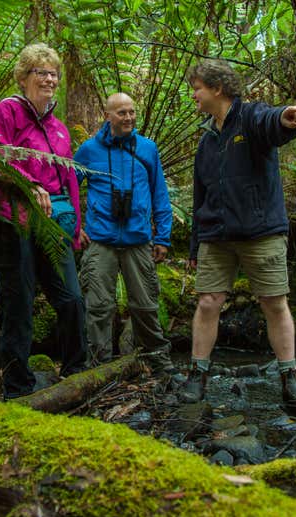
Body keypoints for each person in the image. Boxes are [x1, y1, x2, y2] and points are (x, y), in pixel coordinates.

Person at [181, 59, 296, 405]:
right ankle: (198, 375)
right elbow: (200, 198)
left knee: (274, 302)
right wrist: (195, 248)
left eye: (196, 88)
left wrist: (286, 118)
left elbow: (271, 122)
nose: (193, 95)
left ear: (217, 88)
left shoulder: (251, 117)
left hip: (261, 232)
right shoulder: (207, 141)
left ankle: (290, 377)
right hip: (216, 235)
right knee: (209, 302)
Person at [0, 43, 87, 399]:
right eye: (40, 72)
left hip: (55, 223)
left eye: (53, 73)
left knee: (72, 298)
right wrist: (28, 185)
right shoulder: (6, 112)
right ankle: (18, 387)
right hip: (13, 220)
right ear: (23, 77)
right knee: (19, 302)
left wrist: (76, 226)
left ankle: (76, 372)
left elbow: (69, 176)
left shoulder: (58, 127)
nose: (49, 79)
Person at [74, 93, 175, 373]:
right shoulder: (88, 151)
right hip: (101, 241)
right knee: (98, 306)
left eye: (131, 112)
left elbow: (159, 194)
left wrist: (163, 237)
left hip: (138, 240)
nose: (128, 117)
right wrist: (75, 226)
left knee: (144, 305)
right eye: (121, 113)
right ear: (107, 115)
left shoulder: (147, 148)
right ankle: (99, 366)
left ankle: (158, 359)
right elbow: (69, 188)